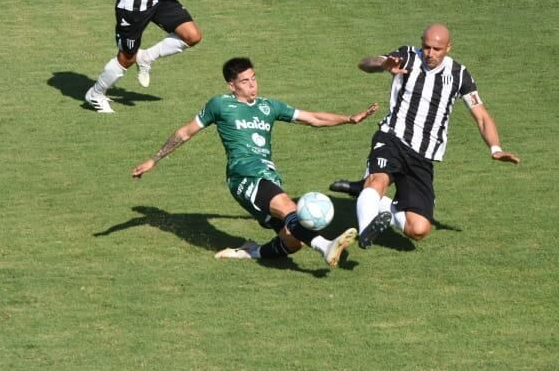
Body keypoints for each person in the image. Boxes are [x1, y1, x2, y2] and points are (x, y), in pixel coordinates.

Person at [132, 57, 379, 267]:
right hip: (244, 175)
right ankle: (325, 246)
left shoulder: (268, 107)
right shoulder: (220, 105)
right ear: (231, 85)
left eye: (253, 78)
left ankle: (251, 252)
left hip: (268, 176)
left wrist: (349, 119)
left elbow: (312, 118)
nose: (252, 85)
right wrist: (154, 159)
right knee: (288, 207)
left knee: (293, 241)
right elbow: (186, 132)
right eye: (245, 81)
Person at [329, 23, 520, 248]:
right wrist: (383, 64)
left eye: (436, 49)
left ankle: (369, 196)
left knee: (418, 229)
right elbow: (365, 64)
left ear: (448, 47)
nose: (430, 53)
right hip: (392, 137)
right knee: (378, 181)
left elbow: (482, 117)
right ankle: (366, 231)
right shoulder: (407, 56)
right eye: (426, 47)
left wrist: (495, 148)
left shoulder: (460, 75)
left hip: (422, 155)